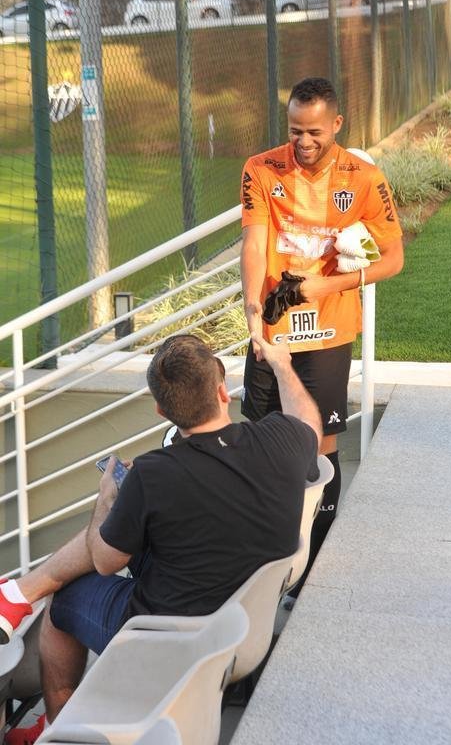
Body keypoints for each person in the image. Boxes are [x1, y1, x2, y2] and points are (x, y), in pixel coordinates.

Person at [1, 333, 322, 743]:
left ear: (160, 410)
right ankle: (16, 596)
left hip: (167, 631)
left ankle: (56, 726)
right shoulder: (282, 437)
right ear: (223, 391)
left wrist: (108, 498)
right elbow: (308, 421)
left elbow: (103, 560)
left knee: (63, 601)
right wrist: (281, 364)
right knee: (140, 532)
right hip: (240, 622)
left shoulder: (154, 474)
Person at [240, 76, 404, 598]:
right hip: (273, 329)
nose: (304, 142)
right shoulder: (262, 169)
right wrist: (250, 307)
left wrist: (325, 285)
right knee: (263, 439)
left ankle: (310, 572)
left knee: (321, 446)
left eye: (315, 132)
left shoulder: (365, 177)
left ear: (337, 124)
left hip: (331, 328)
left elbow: (394, 258)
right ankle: (262, 560)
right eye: (295, 131)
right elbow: (254, 243)